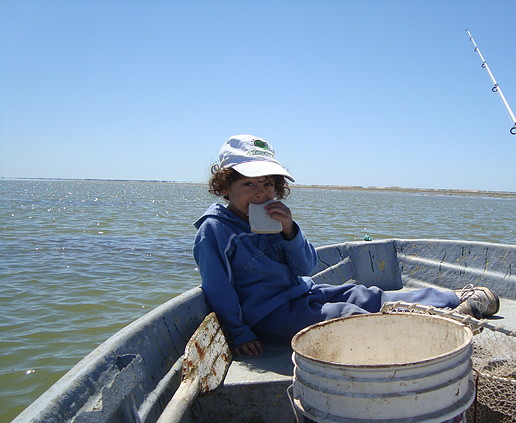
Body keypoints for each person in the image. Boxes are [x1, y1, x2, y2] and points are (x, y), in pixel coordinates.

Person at [193, 134, 499, 356]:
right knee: (346, 314)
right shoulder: (216, 230)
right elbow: (218, 288)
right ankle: (443, 321)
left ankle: (451, 298)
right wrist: (239, 331)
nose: (261, 194)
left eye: (268, 184)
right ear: (224, 185)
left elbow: (305, 267)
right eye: (249, 184)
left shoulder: (274, 220)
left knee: (363, 294)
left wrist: (290, 231)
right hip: (269, 314)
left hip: (303, 292)